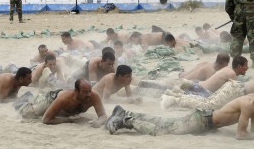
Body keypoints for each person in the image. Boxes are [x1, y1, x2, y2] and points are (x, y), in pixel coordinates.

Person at [106, 94, 254, 140]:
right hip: (202, 121)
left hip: (204, 118)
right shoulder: (249, 104)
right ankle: (126, 121)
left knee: (164, 122)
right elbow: (241, 134)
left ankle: (126, 113)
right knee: (161, 131)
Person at [15, 78, 107, 128]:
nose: (88, 95)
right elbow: (46, 120)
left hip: (64, 109)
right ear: (76, 91)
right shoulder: (64, 99)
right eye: (85, 92)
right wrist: (69, 120)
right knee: (28, 113)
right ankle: (27, 97)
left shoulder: (94, 96)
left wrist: (98, 122)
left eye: (89, 91)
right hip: (51, 99)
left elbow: (103, 115)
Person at [170, 56, 248, 97]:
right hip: (201, 90)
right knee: (174, 93)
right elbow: (230, 94)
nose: (247, 68)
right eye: (246, 66)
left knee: (174, 89)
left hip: (198, 84)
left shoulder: (227, 69)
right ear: (239, 66)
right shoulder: (232, 74)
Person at [161, 78, 254, 110]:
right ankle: (173, 100)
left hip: (235, 85)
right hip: (237, 90)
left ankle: (176, 95)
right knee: (208, 106)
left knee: (207, 101)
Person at [225, 0, 254, 68]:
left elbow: (228, 3)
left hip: (238, 13)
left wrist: (233, 16)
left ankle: (235, 62)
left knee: (237, 38)